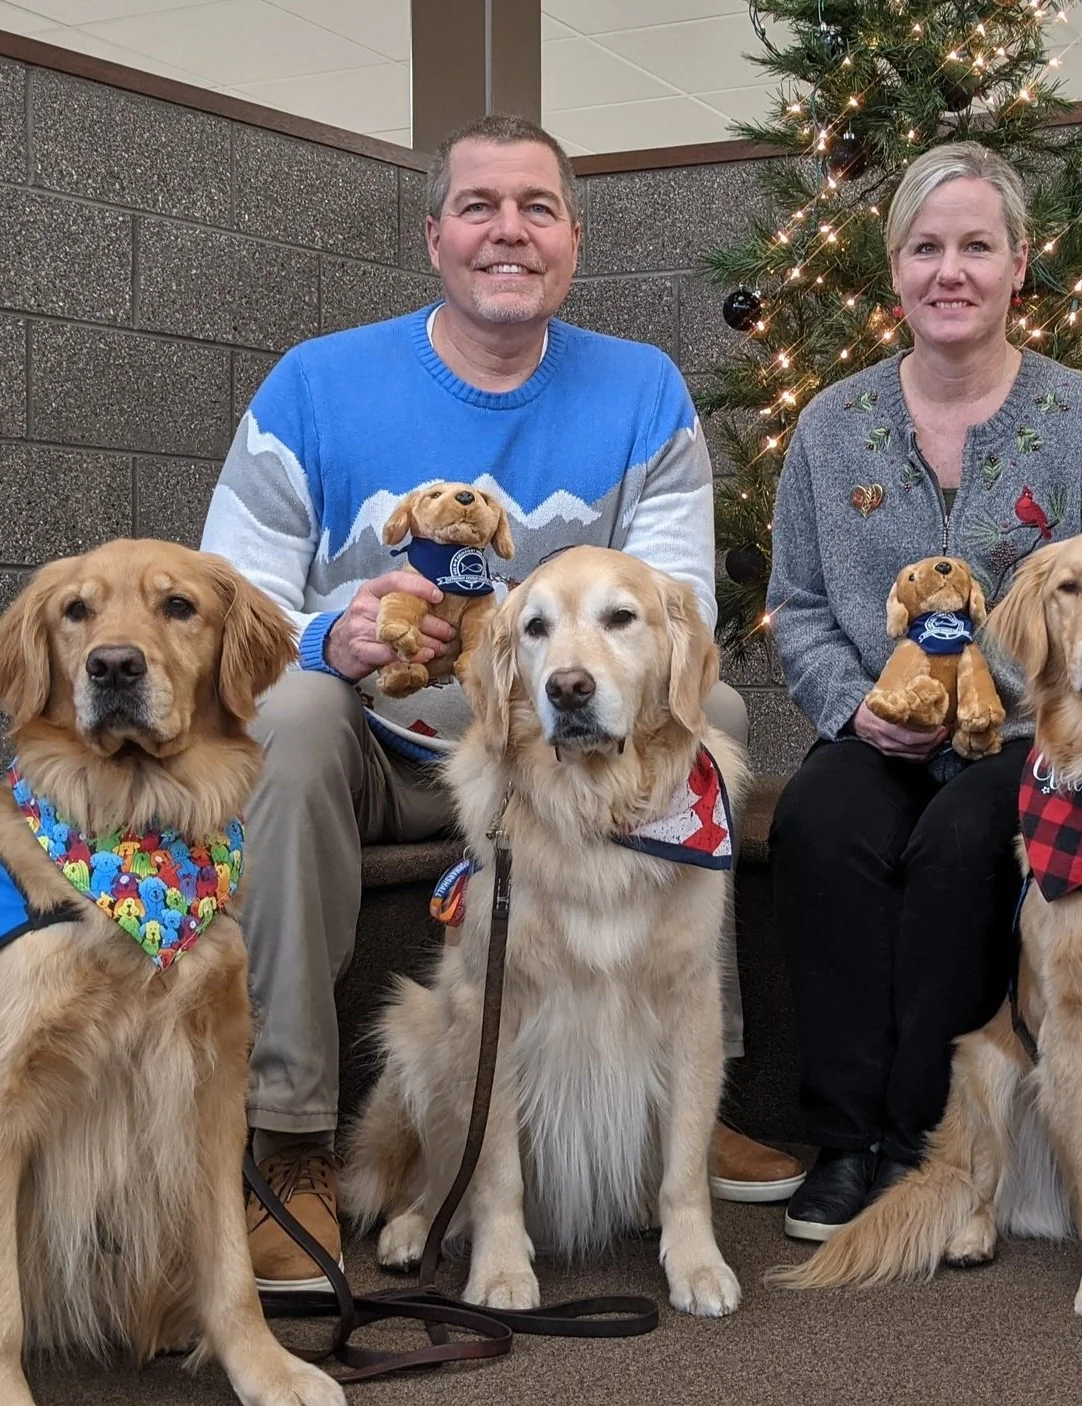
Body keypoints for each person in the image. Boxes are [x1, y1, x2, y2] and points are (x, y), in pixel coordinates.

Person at [201, 114, 800, 1291]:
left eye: (537, 206)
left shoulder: (641, 387)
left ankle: (686, 1092)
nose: (508, 230)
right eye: (479, 205)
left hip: (555, 766)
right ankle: (291, 1134)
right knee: (288, 717)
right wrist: (336, 633)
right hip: (380, 750)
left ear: (574, 236)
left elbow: (675, 614)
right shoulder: (314, 384)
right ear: (434, 236)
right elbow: (229, 611)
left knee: (711, 720)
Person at [764, 142, 1082, 1240]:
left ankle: (936, 1141)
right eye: (926, 246)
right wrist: (852, 709)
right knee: (819, 819)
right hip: (874, 720)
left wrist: (1065, 725)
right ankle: (848, 1140)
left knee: (960, 839)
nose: (952, 269)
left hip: (1039, 739)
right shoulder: (831, 424)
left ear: (1018, 264)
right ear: (893, 268)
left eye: (976, 246)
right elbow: (796, 602)